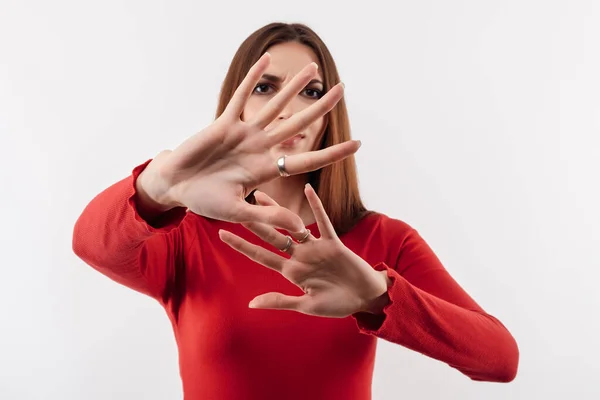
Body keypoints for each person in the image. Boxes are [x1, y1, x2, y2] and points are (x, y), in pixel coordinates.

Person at [72, 22, 519, 399]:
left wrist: (380, 297)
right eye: (266, 88)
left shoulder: (384, 240)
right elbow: (92, 245)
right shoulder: (187, 234)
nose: (288, 107)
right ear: (238, 104)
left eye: (311, 91)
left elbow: (499, 358)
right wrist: (160, 184)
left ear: (328, 116)